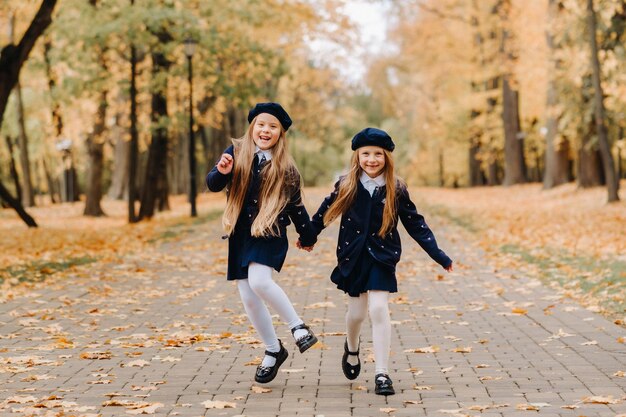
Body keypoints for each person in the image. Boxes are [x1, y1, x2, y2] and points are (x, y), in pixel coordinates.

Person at [302, 127, 453, 396]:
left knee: (379, 309)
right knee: (357, 314)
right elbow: (324, 213)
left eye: (378, 154)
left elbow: (416, 224)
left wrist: (439, 255)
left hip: (382, 257)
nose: (372, 160)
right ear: (357, 156)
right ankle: (351, 347)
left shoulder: (396, 188)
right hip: (353, 257)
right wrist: (308, 235)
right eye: (366, 154)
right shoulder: (346, 184)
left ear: (387, 158)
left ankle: (382, 373)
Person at [206, 102, 318, 384]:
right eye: (261, 124)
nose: (265, 130)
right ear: (252, 127)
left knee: (259, 281)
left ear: (281, 133)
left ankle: (298, 328)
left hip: (270, 231)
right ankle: (273, 350)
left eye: (273, 127)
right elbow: (212, 184)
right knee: (248, 296)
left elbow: (296, 207)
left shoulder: (286, 168)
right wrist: (221, 170)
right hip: (241, 234)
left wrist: (308, 236)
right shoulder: (235, 153)